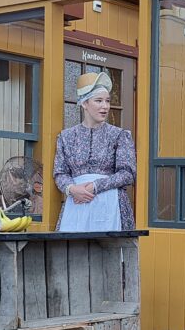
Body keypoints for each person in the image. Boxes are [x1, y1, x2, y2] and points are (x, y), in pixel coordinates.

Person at [54, 71, 137, 231]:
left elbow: (127, 173)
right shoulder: (66, 137)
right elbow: (60, 172)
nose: (105, 106)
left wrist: (95, 186)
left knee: (110, 251)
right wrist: (72, 189)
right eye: (98, 101)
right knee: (73, 252)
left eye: (107, 101)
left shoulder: (119, 135)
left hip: (111, 202)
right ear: (84, 103)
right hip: (77, 203)